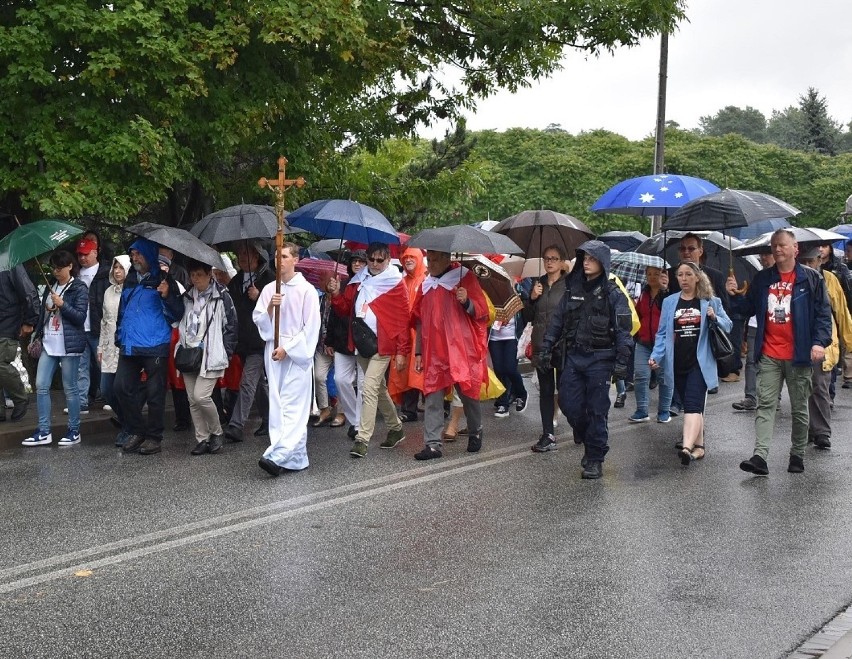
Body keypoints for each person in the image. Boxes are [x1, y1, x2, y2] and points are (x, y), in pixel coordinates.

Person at [727, 229, 832, 475]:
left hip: (799, 355)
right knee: (765, 404)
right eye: (773, 246)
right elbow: (747, 308)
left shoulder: (811, 279)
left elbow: (823, 316)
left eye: (782, 245)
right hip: (770, 353)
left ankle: (796, 454)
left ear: (795, 248)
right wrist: (733, 295)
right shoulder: (763, 279)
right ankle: (760, 457)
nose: (776, 249)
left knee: (798, 407)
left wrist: (819, 342)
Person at [537, 240, 633, 479]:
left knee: (597, 410)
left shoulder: (613, 293)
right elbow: (558, 320)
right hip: (574, 357)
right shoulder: (573, 288)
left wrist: (622, 362)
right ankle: (587, 435)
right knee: (569, 404)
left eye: (592, 259)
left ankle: (595, 457)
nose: (587, 263)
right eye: (584, 258)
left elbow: (623, 329)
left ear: (603, 262)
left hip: (601, 359)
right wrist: (546, 347)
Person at [327, 242, 409, 458]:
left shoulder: (395, 282)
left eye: (379, 260)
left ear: (388, 261)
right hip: (362, 342)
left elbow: (402, 319)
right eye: (371, 259)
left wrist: (402, 351)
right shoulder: (358, 280)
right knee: (378, 389)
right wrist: (336, 293)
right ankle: (396, 427)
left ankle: (362, 439)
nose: (374, 263)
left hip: (383, 343)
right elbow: (345, 309)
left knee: (369, 388)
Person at [650, 262, 732, 465]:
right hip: (677, 361)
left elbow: (728, 325)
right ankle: (700, 447)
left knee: (694, 405)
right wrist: (656, 356)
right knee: (689, 405)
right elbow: (662, 334)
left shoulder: (710, 301)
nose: (684, 279)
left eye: (688, 274)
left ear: (697, 277)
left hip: (700, 362)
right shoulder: (670, 302)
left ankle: (686, 447)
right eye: (680, 275)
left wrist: (715, 317)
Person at [412, 250, 489, 460]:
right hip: (434, 350)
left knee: (468, 393)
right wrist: (418, 351)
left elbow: (482, 311)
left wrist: (466, 302)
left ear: (448, 259)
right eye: (429, 259)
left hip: (460, 349)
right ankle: (433, 444)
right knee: (433, 395)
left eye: (436, 259)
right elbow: (419, 319)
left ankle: (476, 429)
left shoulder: (465, 278)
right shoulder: (425, 285)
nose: (432, 263)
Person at [253, 242, 320, 476]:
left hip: (295, 355)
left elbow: (311, 328)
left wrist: (288, 348)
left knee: (294, 405)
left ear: (295, 260)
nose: (278, 260)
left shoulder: (307, 290)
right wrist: (271, 306)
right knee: (279, 403)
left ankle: (278, 454)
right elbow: (259, 320)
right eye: (275, 256)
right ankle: (296, 457)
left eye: (283, 256)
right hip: (273, 351)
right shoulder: (270, 288)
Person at [113, 238, 185, 456]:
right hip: (130, 343)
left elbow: (177, 314)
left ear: (148, 255)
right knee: (120, 388)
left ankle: (154, 437)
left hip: (155, 343)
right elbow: (123, 310)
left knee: (155, 395)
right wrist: (119, 334)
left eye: (138, 254)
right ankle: (137, 430)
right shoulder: (131, 279)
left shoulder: (165, 279)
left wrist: (167, 295)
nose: (134, 258)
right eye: (132, 254)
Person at [22, 250, 89, 447]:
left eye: (60, 267)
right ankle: (44, 430)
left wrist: (63, 305)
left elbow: (79, 317)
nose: (56, 271)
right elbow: (44, 315)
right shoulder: (51, 287)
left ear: (70, 266)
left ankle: (74, 430)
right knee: (41, 385)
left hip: (68, 345)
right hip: (50, 344)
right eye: (53, 268)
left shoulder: (79, 287)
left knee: (70, 387)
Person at [178, 260, 237, 455]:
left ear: (209, 274)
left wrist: (225, 353)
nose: (195, 280)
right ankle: (202, 438)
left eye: (199, 275)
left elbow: (231, 327)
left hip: (211, 353)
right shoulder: (187, 296)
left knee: (200, 396)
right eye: (192, 275)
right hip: (189, 352)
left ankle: (217, 431)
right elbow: (176, 319)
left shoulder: (222, 296)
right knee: (192, 400)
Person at [798, 247, 852, 449]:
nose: (808, 265)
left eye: (811, 261)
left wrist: (849, 341)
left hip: (823, 342)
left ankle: (821, 432)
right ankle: (808, 429)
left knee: (820, 386)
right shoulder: (794, 278)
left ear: (819, 260)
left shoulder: (829, 279)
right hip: (797, 341)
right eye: (804, 261)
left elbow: (841, 310)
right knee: (801, 388)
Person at [224, 241, 274, 442]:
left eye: (246, 253)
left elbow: (280, 307)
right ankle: (269, 417)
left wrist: (260, 296)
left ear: (257, 255)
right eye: (239, 254)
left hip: (260, 340)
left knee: (247, 381)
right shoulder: (235, 281)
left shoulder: (270, 279)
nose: (241, 258)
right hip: (242, 341)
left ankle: (236, 425)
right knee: (257, 383)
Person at [522, 244, 569, 452]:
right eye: (546, 258)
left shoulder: (569, 285)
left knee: (568, 392)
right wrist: (531, 298)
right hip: (542, 344)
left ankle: (578, 424)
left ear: (561, 263)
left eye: (554, 258)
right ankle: (547, 433)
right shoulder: (537, 284)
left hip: (563, 346)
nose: (549, 262)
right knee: (546, 392)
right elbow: (528, 317)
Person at [327, 251, 367, 436]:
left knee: (363, 383)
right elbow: (337, 313)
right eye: (354, 261)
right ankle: (355, 419)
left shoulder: (372, 284)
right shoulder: (343, 284)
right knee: (340, 379)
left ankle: (359, 425)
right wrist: (335, 293)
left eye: (361, 261)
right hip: (344, 339)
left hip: (365, 340)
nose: (357, 264)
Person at [630, 265, 673, 424]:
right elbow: (638, 314)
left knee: (664, 377)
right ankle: (642, 410)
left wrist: (665, 290)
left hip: (663, 343)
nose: (652, 277)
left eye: (656, 273)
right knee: (641, 375)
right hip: (644, 342)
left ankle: (664, 411)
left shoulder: (668, 295)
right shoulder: (643, 294)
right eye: (649, 274)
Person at [732, 252, 775, 412]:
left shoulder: (786, 277)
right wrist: (736, 295)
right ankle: (750, 397)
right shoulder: (759, 278)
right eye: (763, 255)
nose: (765, 257)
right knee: (751, 361)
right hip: (755, 325)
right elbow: (747, 305)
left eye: (767, 253)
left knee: (773, 362)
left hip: (774, 326)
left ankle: (773, 397)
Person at [388, 246, 427, 422]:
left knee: (427, 370)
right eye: (405, 258)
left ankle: (439, 407)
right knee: (407, 373)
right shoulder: (401, 282)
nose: (408, 260)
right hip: (405, 333)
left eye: (412, 257)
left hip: (424, 332)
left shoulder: (428, 279)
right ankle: (409, 410)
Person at [97, 255, 131, 446]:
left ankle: (129, 427)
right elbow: (104, 320)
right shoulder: (109, 291)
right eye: (115, 267)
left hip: (126, 346)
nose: (117, 271)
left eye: (121, 267)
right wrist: (100, 346)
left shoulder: (133, 290)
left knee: (122, 389)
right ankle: (127, 421)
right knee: (107, 389)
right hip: (109, 346)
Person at [74, 237, 111, 412]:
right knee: (81, 366)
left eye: (86, 254)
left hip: (98, 327)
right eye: (80, 255)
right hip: (80, 327)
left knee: (102, 364)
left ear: (95, 252)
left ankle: (108, 396)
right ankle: (81, 401)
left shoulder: (106, 273)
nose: (82, 258)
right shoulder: (75, 274)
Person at [0, 258, 38, 423]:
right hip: (6, 319)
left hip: (7, 322)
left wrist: (30, 320)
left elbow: (28, 291)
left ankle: (20, 396)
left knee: (1, 363)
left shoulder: (10, 261)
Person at [488, 284, 528, 418]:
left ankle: (521, 393)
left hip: (511, 336)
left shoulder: (517, 289)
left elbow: (527, 310)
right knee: (499, 370)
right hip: (495, 337)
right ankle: (502, 403)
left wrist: (523, 295)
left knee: (510, 368)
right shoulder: (489, 292)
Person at [817, 242, 852, 389]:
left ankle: (847, 376)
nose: (821, 249)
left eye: (824, 246)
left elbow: (846, 292)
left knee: (840, 347)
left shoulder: (838, 269)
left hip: (836, 312)